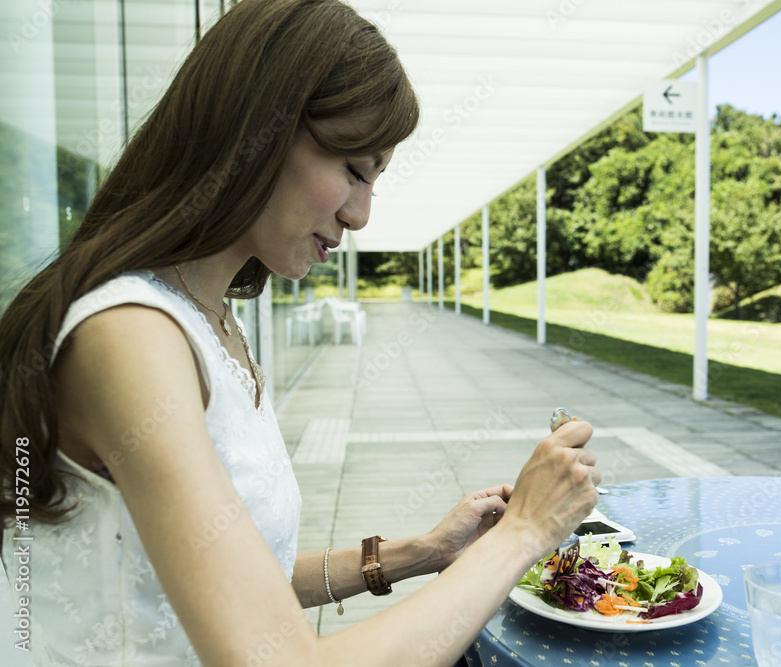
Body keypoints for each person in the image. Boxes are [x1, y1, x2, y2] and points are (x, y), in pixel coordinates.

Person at [0, 0, 601, 664]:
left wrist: (419, 552)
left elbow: (222, 587)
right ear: (258, 128)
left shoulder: (211, 319)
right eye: (354, 169)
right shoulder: (131, 336)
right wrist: (525, 531)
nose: (362, 214)